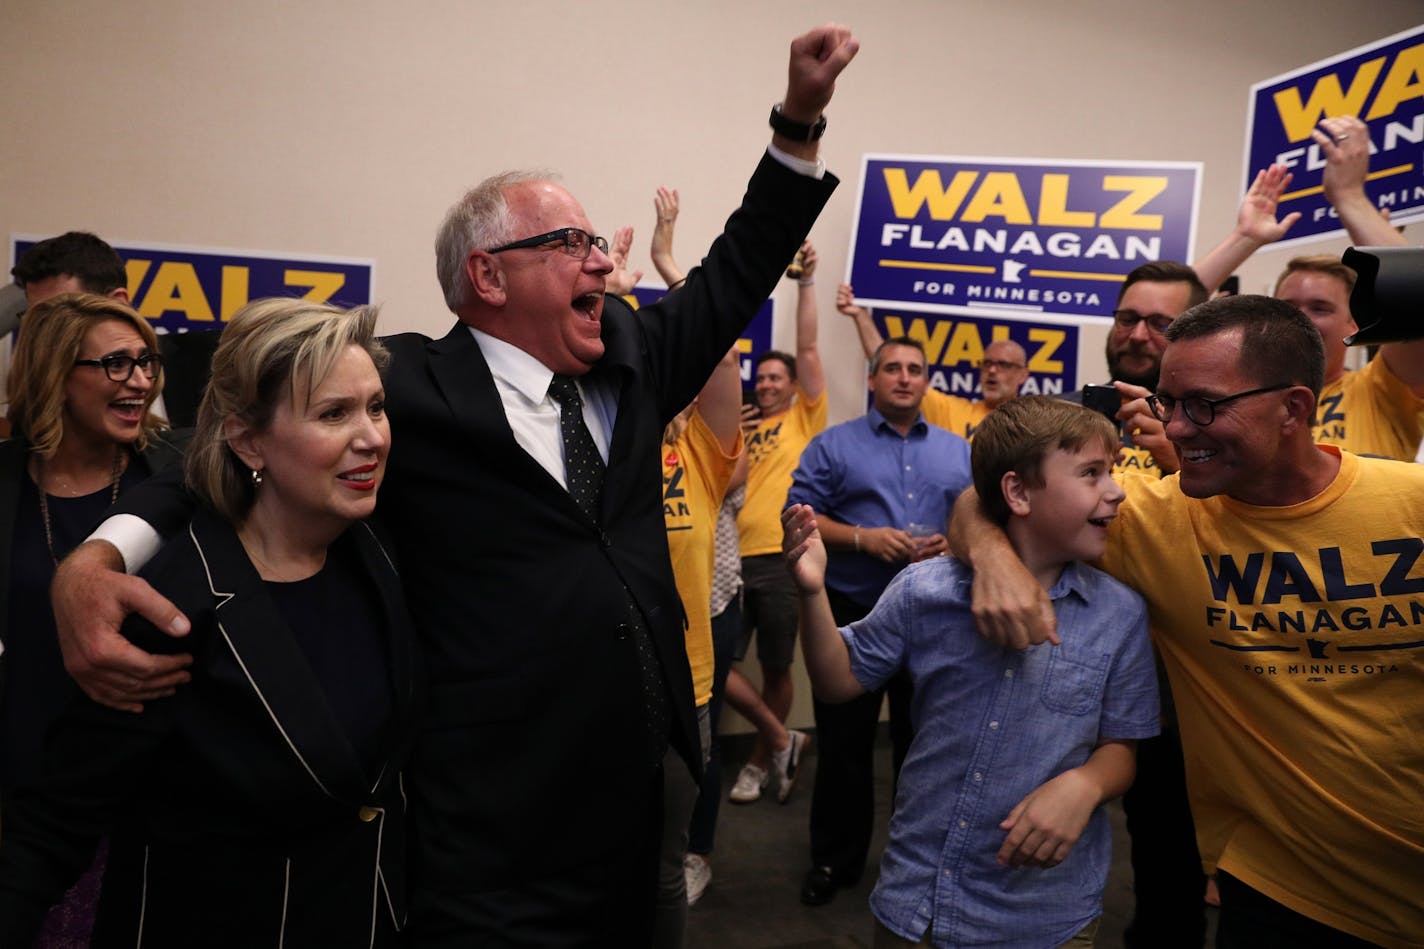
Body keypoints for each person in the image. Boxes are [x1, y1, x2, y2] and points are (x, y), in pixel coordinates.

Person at [49, 24, 857, 946]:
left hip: (649, 798)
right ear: (488, 273)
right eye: (572, 242)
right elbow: (211, 446)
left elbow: (741, 264)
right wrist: (100, 553)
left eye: (599, 242)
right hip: (494, 835)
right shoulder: (401, 388)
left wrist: (798, 118)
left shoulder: (634, 355)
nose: (603, 260)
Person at [952, 295, 1424, 948]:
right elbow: (986, 495)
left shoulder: (1410, 504)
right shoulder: (1156, 520)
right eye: (1168, 405)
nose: (1174, 429)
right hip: (1283, 894)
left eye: (1203, 405)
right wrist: (990, 554)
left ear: (1294, 408)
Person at [0, 297, 420, 947]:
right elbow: (54, 821)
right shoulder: (170, 605)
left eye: (375, 406)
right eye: (334, 413)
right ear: (248, 438)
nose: (371, 435)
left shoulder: (381, 551)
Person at [784, 395, 1158, 948]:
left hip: (1043, 915)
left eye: (1113, 470)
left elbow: (1121, 747)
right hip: (918, 901)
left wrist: (1087, 783)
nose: (1117, 489)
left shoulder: (1120, 614)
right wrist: (812, 593)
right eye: (1090, 473)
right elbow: (839, 681)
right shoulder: (924, 591)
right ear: (1017, 492)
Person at [0, 292, 178, 948]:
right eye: (115, 364)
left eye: (146, 361)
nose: (140, 380)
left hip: (145, 802)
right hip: (22, 799)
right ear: (54, 374)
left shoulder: (179, 481)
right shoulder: (6, 483)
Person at [785, 336, 974, 907]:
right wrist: (864, 539)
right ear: (872, 380)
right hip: (855, 611)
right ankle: (834, 861)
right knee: (844, 746)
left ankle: (920, 861)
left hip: (937, 615)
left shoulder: (957, 450)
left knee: (928, 748)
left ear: (926, 382)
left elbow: (982, 516)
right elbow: (796, 517)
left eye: (914, 369)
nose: (903, 377)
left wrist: (956, 543)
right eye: (891, 368)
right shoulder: (833, 445)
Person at [729, 240, 826, 805]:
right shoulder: (741, 428)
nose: (766, 384)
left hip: (779, 556)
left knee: (774, 666)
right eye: (760, 378)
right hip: (730, 560)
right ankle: (780, 737)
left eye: (775, 378)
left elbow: (809, 347)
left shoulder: (804, 418)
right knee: (717, 667)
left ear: (791, 386)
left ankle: (763, 762)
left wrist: (805, 283)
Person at [834, 283, 1028, 439]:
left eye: (1003, 365)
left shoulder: (1034, 421)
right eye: (986, 364)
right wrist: (860, 314)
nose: (992, 371)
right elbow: (887, 359)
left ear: (1023, 375)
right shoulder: (953, 411)